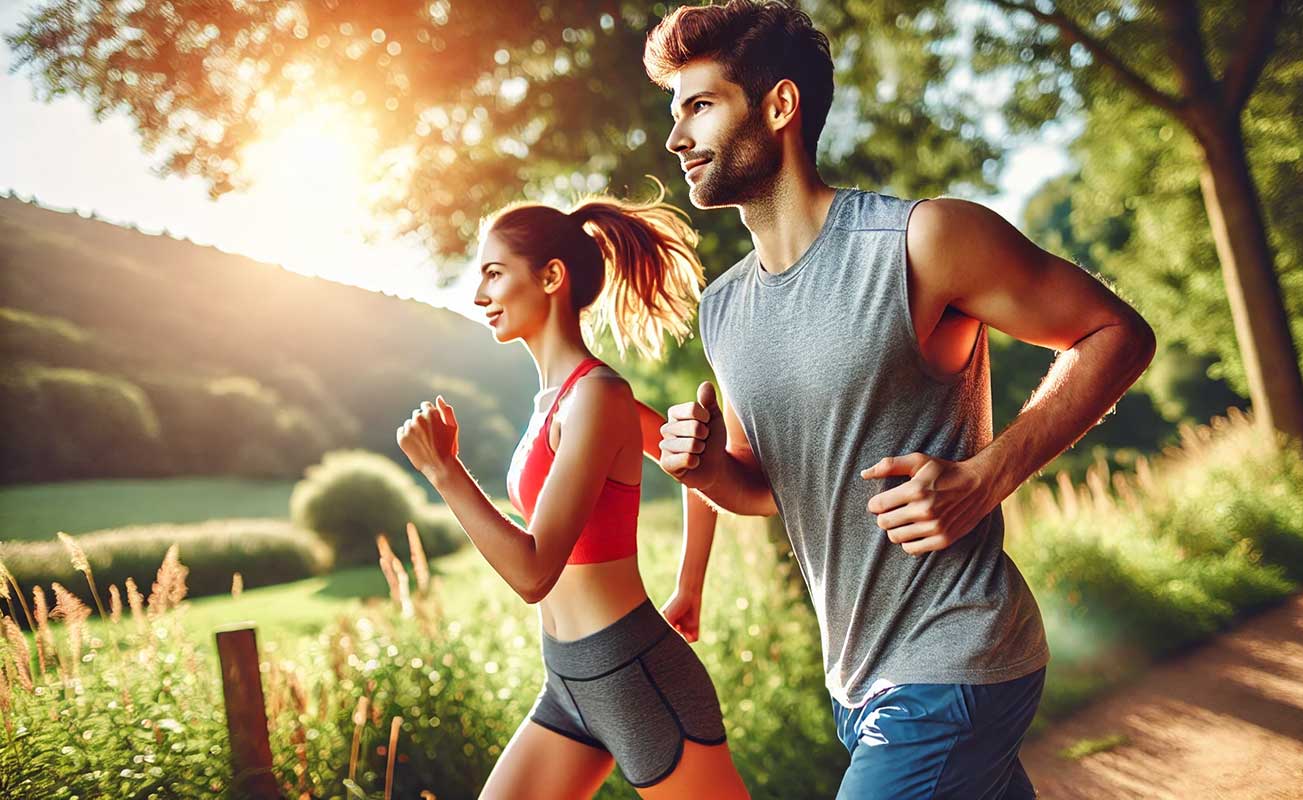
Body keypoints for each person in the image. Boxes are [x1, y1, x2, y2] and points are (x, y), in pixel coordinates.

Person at [644, 2, 1156, 798]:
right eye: (676, 114)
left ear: (779, 106)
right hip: (856, 680)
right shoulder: (724, 310)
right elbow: (763, 487)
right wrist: (708, 469)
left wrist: (988, 475)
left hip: (957, 656)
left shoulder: (922, 241)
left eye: (700, 106)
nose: (677, 138)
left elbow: (1116, 334)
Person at [396, 183, 749, 799]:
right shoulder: (556, 403)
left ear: (551, 276)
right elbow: (692, 467)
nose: (480, 295)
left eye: (495, 274)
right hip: (568, 682)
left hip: (637, 679)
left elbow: (534, 573)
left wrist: (445, 472)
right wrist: (687, 590)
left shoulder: (598, 395)